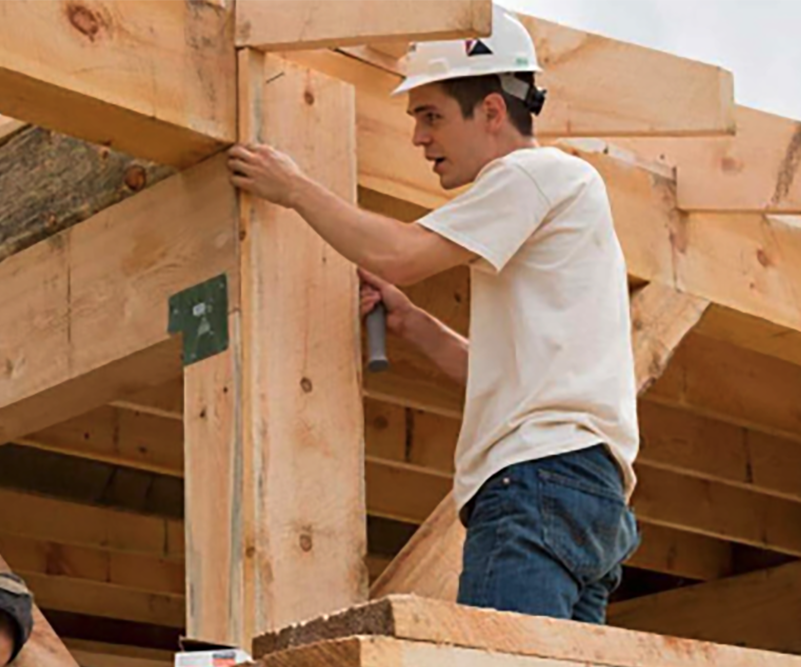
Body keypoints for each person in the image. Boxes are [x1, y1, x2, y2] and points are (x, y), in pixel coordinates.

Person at [228, 6, 640, 623]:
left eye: (432, 115)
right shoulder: (567, 197)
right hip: (591, 499)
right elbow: (508, 377)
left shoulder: (532, 174)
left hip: (535, 487)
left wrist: (292, 188)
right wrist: (415, 325)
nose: (419, 136)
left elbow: (396, 254)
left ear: (494, 111)